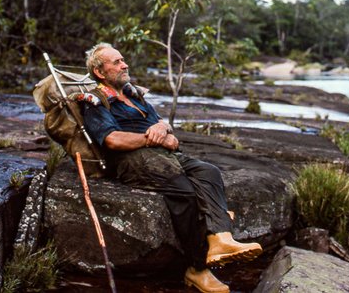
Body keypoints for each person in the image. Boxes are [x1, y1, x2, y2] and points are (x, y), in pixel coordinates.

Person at [82, 42, 262, 293]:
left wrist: (163, 131)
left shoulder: (134, 95)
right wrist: (153, 137)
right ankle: (197, 269)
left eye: (123, 60)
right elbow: (112, 139)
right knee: (186, 192)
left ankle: (221, 238)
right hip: (130, 159)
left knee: (209, 172)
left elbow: (163, 124)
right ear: (100, 72)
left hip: (161, 153)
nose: (125, 65)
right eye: (117, 62)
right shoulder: (95, 101)